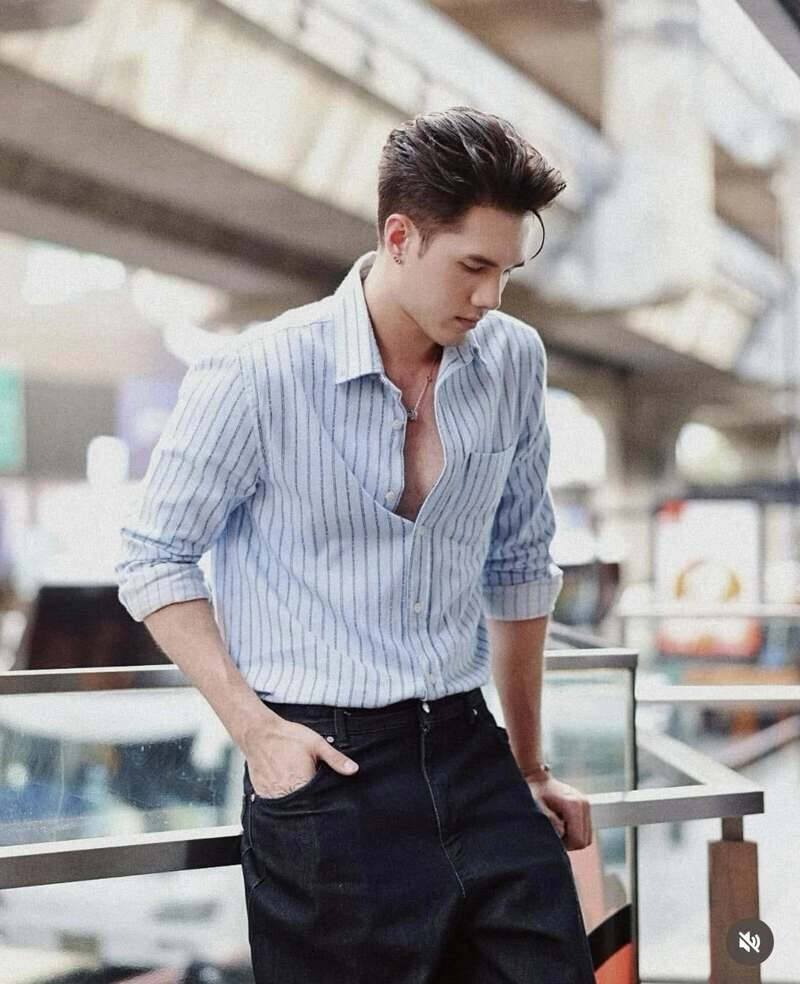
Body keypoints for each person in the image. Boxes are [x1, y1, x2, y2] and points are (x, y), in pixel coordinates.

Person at [117, 106, 596, 983]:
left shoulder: (514, 361)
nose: (491, 297)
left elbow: (521, 564)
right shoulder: (258, 372)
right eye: (473, 267)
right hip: (326, 771)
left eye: (507, 271)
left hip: (471, 748)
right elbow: (153, 557)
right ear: (400, 237)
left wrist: (528, 767)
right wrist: (257, 733)